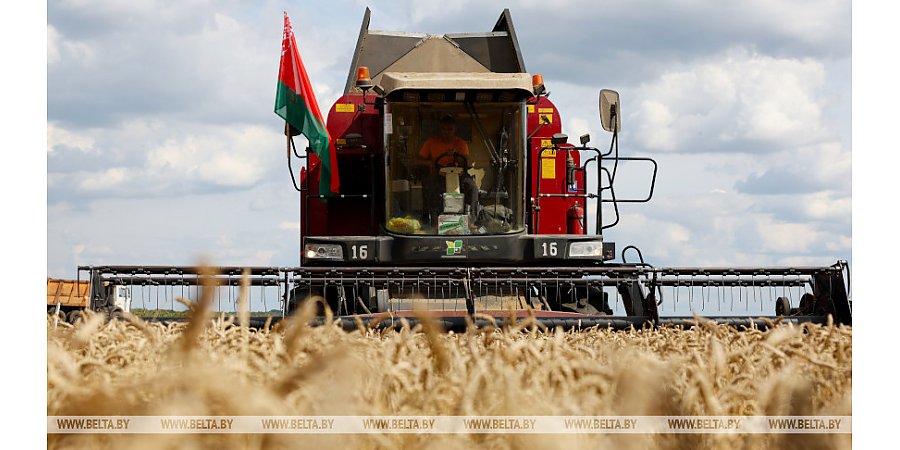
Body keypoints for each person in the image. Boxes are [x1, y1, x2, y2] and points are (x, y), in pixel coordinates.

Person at [416, 114, 479, 224]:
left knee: (472, 187)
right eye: (444, 129)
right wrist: (430, 163)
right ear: (440, 130)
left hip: (458, 174)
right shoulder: (431, 142)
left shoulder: (461, 143)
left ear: (455, 130)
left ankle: (472, 220)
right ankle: (433, 219)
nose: (447, 132)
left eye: (450, 129)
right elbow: (418, 161)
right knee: (429, 187)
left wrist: (457, 155)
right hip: (438, 173)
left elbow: (467, 162)